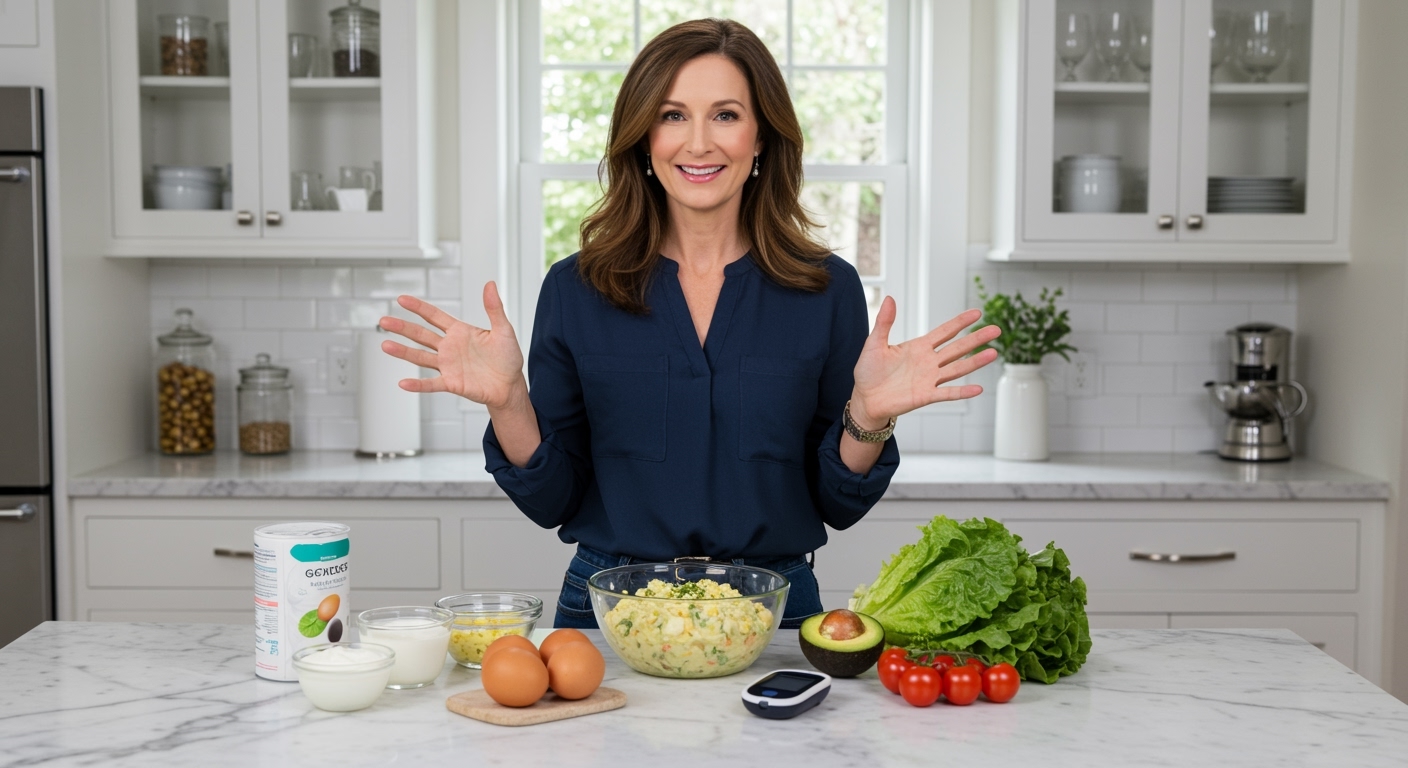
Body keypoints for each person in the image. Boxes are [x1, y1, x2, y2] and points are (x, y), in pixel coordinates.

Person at [379, 18, 1000, 630]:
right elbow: (553, 502)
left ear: (761, 137)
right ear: (644, 138)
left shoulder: (826, 289)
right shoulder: (575, 288)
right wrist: (510, 401)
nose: (698, 143)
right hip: (610, 606)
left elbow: (836, 504)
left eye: (725, 115)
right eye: (673, 115)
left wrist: (868, 418)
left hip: (774, 608)